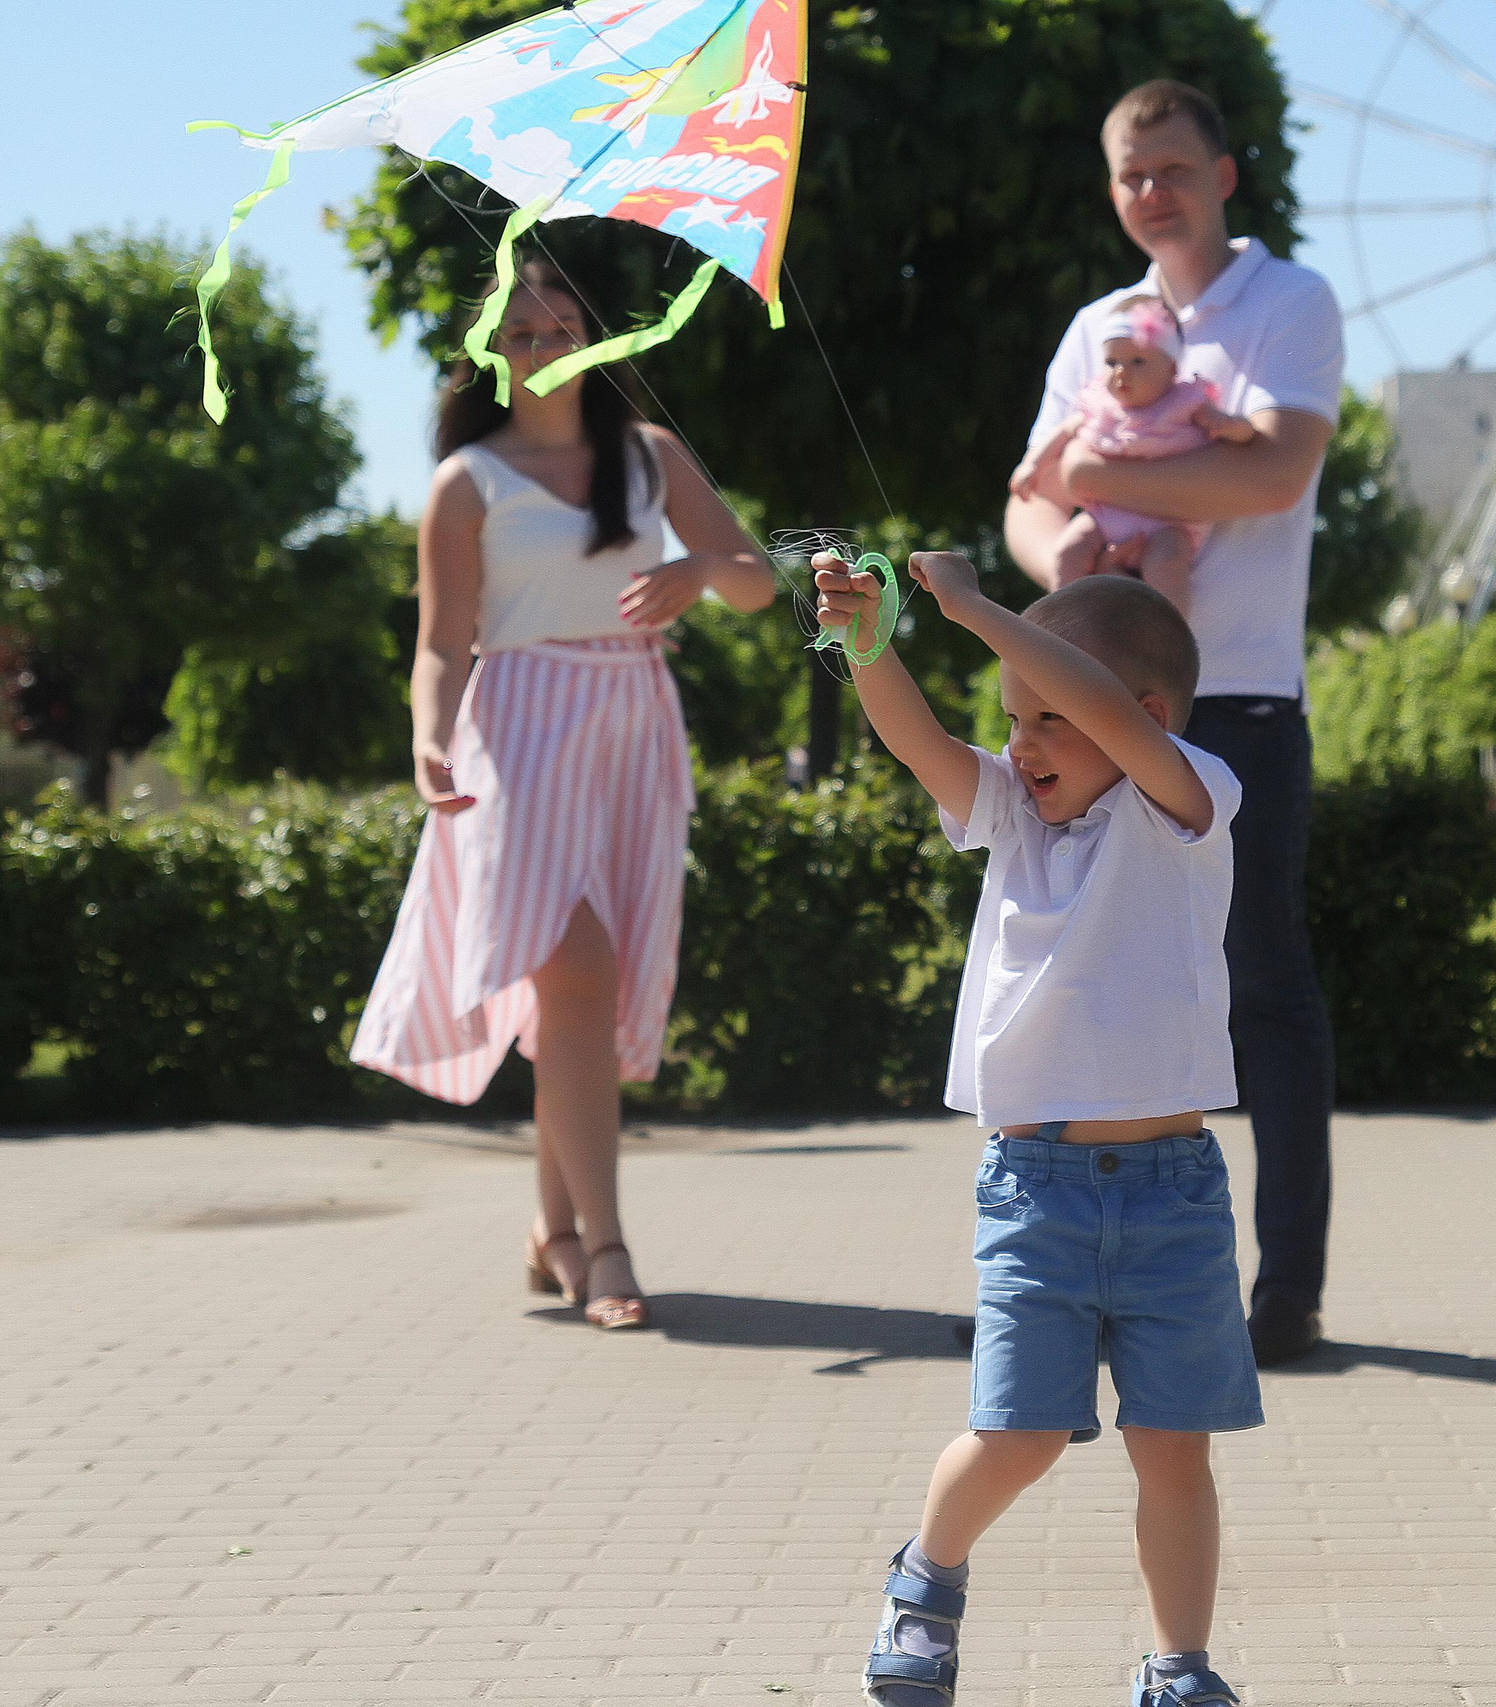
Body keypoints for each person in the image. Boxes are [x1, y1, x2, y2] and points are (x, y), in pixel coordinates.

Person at [814, 550, 1260, 1707]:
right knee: (1016, 1432)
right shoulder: (1010, 812)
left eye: (1046, 716)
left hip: (1173, 1193)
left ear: (1142, 718)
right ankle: (925, 1581)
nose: (1021, 742)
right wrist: (873, 637)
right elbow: (915, 737)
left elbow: (1108, 711)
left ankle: (1179, 1668)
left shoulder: (1189, 800)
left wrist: (976, 607)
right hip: (1036, 1188)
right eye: (1012, 718)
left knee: (1174, 1449)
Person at [350, 262, 778, 1330]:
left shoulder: (650, 455)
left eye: (566, 325)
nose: (548, 344)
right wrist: (427, 740)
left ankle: (551, 1230)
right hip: (520, 728)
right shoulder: (466, 482)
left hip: (633, 720)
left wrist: (698, 573)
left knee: (586, 988)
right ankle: (606, 1247)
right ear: (490, 354)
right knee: (575, 966)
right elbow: (442, 645)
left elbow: (756, 578)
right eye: (525, 331)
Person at [1006, 79, 1343, 1367]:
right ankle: (1106, 1280)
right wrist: (1065, 550)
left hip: (1241, 698)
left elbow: (1269, 472)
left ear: (1223, 177)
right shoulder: (1096, 324)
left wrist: (1099, 472)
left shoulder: (1286, 305)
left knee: (1265, 992)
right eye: (1130, 174)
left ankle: (1289, 1289)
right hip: (1100, 710)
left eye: (1173, 169)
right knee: (1097, 983)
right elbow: (1028, 505)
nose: (1153, 192)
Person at [1008, 293, 1257, 612]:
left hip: (1169, 520)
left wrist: (1229, 425)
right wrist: (1032, 465)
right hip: (1105, 515)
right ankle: (1070, 620)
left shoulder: (1186, 404)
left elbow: (1248, 433)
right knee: (1067, 551)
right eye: (1112, 362)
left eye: (1137, 361)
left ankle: (1169, 634)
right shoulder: (1099, 405)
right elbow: (1062, 433)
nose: (1121, 372)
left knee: (1166, 566)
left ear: (1170, 368)